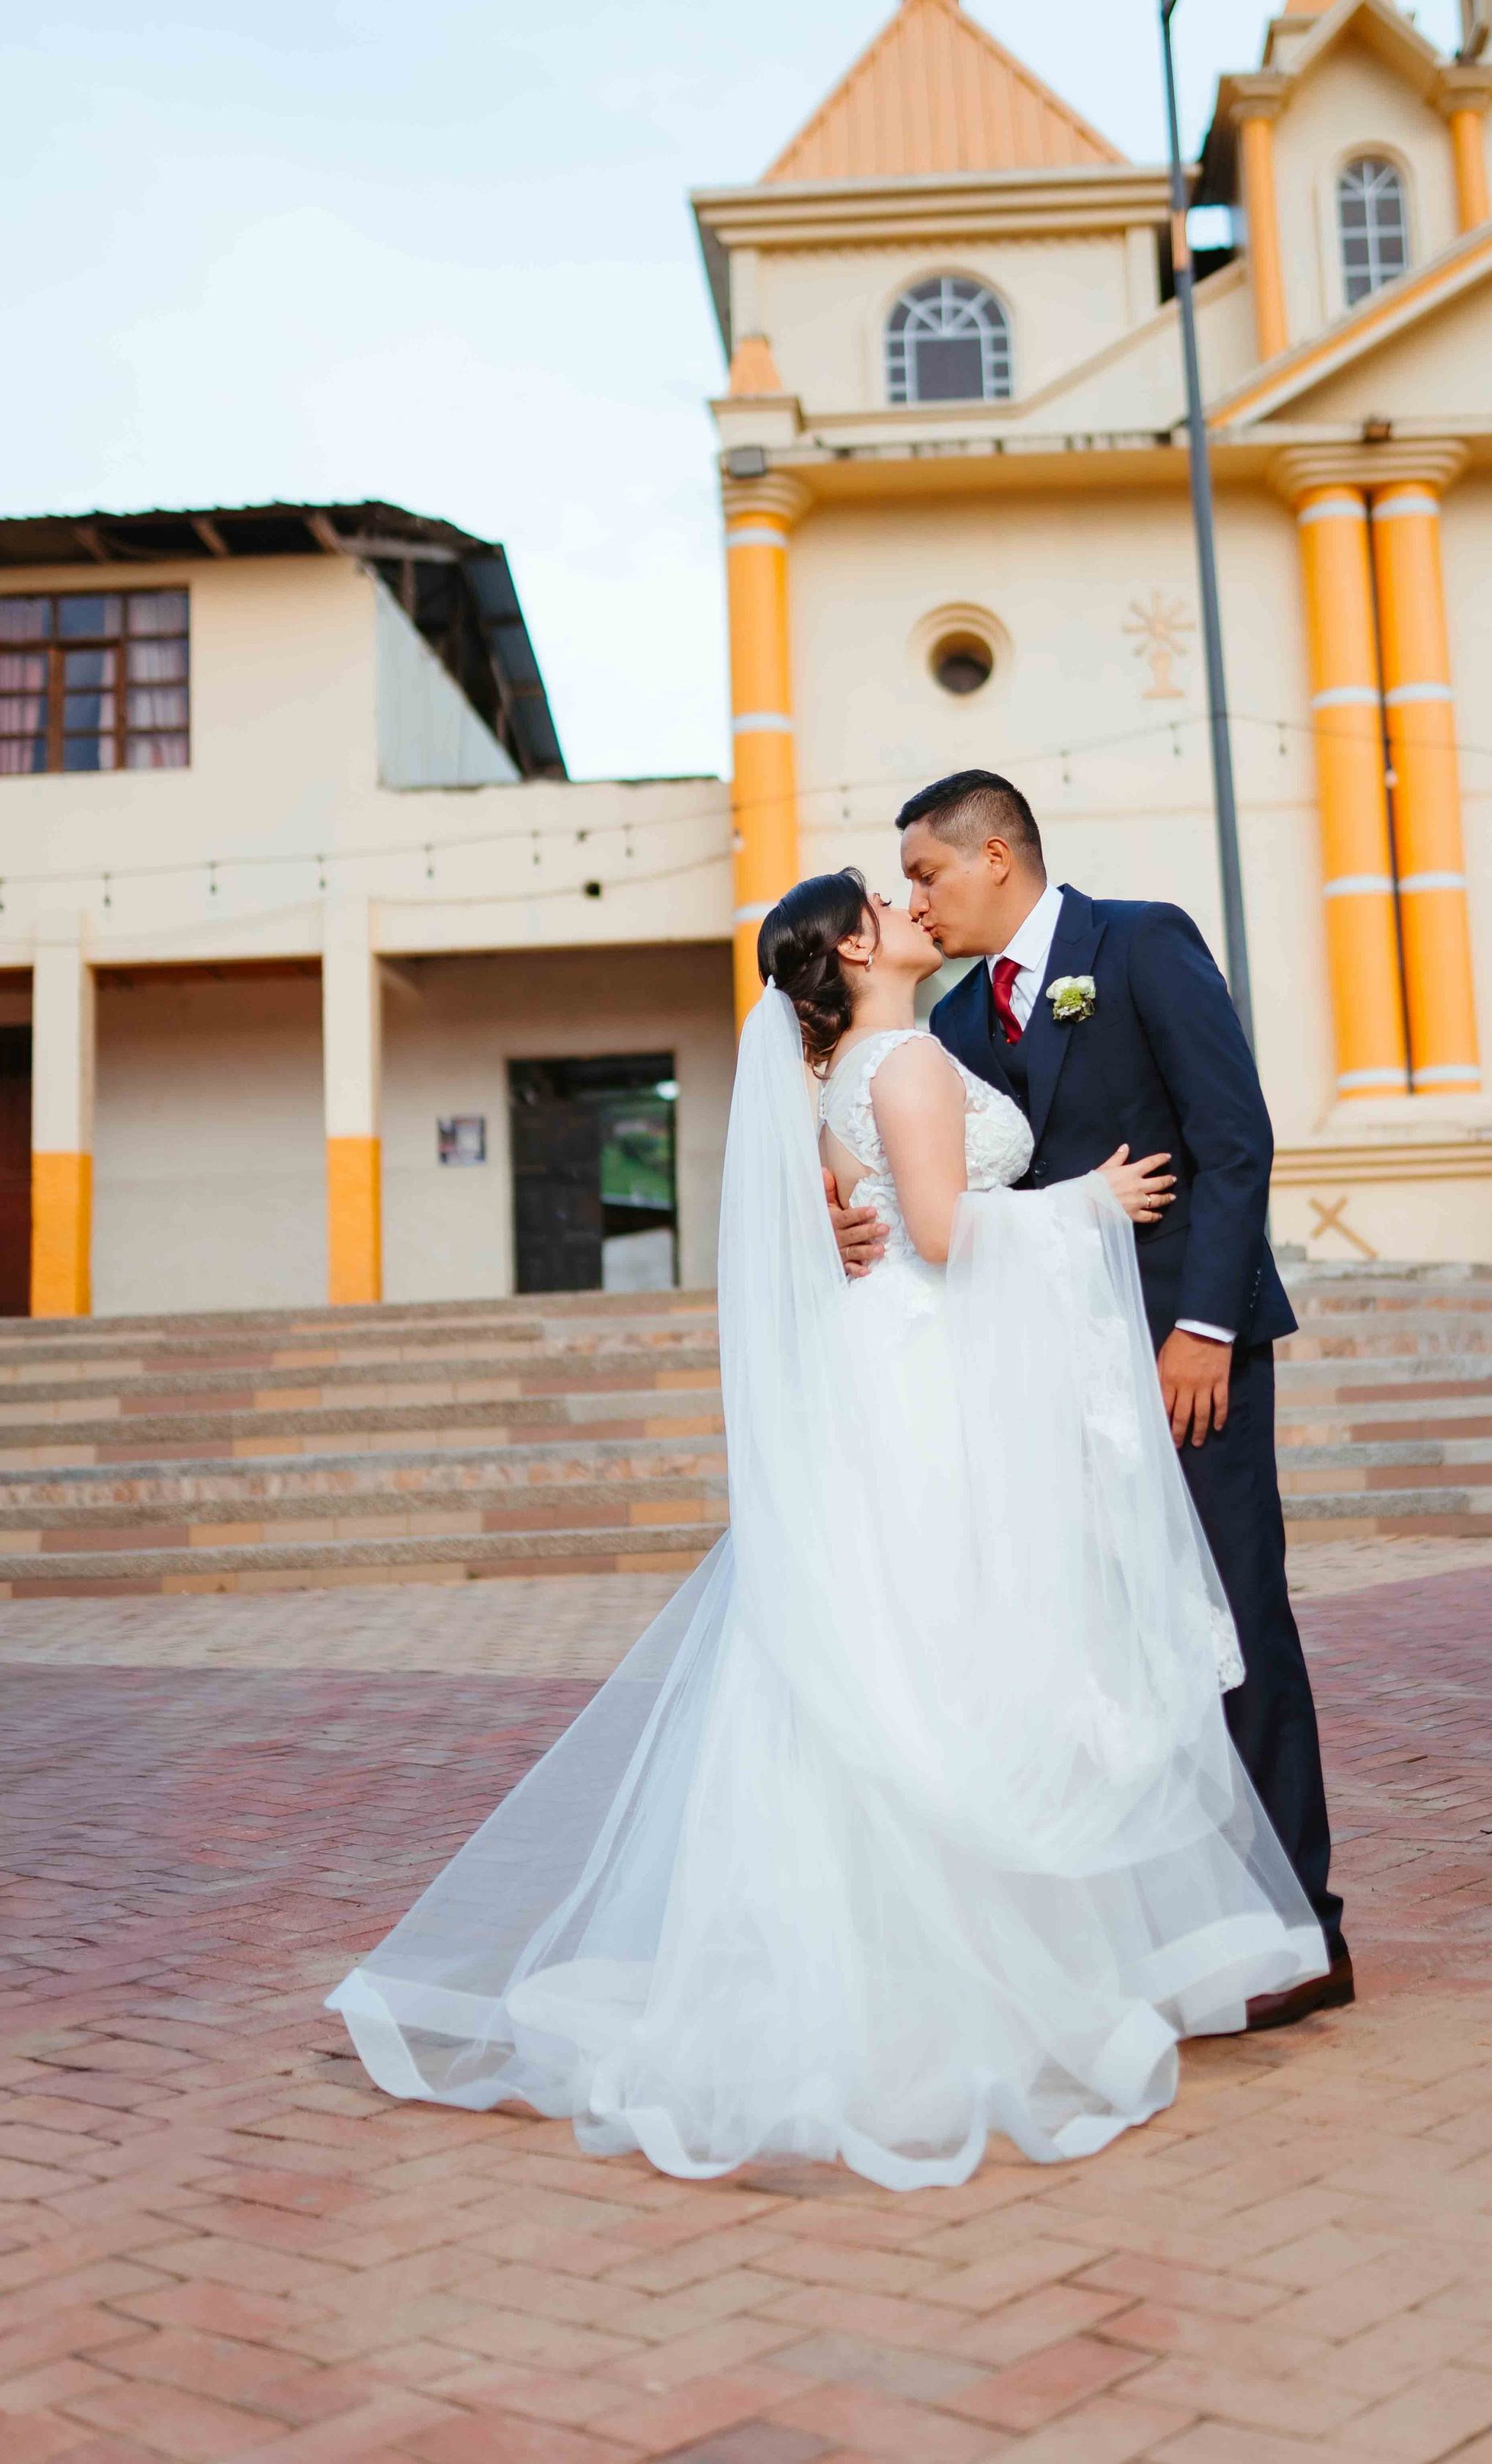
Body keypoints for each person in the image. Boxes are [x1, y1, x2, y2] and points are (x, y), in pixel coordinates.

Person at [326, 867, 1326, 2189]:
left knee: (901, 1654)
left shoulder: (870, 1061)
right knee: (950, 1653)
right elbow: (940, 1231)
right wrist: (1087, 1203)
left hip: (908, 1374)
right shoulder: (905, 1059)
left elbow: (881, 1221)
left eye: (918, 879)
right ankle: (966, 1980)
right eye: (888, 896)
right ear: (857, 945)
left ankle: (900, 1957)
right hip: (927, 1380)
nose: (911, 903)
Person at [833, 770, 1349, 2025]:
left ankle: (1303, 1934)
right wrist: (864, 1225)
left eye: (927, 874)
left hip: (1188, 1358)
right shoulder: (951, 1024)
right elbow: (950, 1187)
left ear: (996, 855)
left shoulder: (1142, 940)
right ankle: (1172, 1927)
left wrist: (1207, 1328)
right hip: (1048, 1373)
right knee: (1109, 1643)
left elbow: (1235, 1139)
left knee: (1231, 1622)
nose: (916, 898)